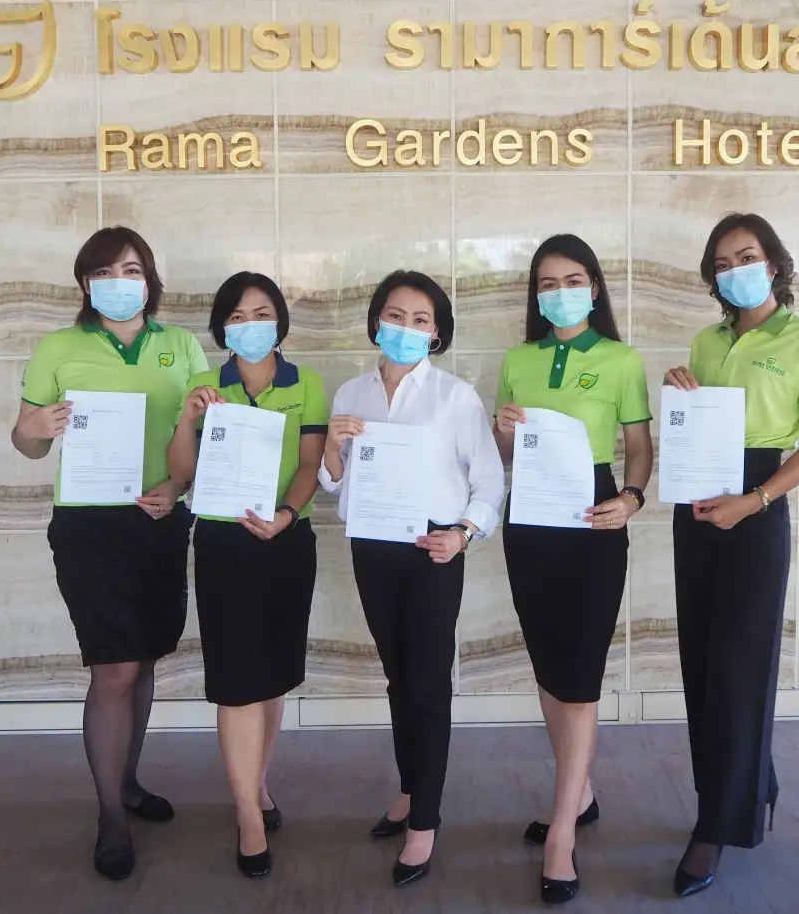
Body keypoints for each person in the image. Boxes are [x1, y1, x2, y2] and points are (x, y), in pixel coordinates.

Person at [11, 227, 208, 880]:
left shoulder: (182, 346)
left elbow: (198, 437)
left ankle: (126, 781)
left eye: (130, 269)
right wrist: (31, 428)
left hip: (159, 520)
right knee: (115, 668)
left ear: (150, 279)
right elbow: (29, 441)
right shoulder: (57, 347)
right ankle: (111, 815)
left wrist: (176, 486)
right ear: (84, 283)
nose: (118, 282)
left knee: (143, 659)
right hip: (88, 528)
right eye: (103, 272)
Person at [664, 213, 799, 898]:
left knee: (741, 666)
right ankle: (750, 782)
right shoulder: (706, 342)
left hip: (757, 505)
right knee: (703, 662)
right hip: (697, 506)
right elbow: (700, 425)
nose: (734, 269)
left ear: (774, 264)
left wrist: (755, 499)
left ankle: (718, 823)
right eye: (722, 262)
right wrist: (682, 397)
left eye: (746, 256)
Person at [319, 271, 505, 888]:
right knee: (398, 676)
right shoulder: (351, 393)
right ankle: (408, 791)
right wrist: (334, 449)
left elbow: (489, 482)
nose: (405, 328)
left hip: (433, 551)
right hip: (373, 547)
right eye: (395, 316)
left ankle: (424, 821)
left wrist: (464, 534)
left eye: (420, 320)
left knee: (426, 684)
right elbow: (334, 485)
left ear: (437, 334)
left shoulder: (456, 397)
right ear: (376, 322)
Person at [494, 234, 653, 905]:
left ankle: (562, 833)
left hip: (593, 521)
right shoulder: (518, 359)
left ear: (593, 287)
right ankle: (578, 794)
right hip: (530, 521)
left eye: (572, 280)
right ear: (535, 294)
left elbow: (639, 446)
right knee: (550, 669)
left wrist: (631, 498)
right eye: (547, 282)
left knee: (580, 677)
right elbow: (504, 452)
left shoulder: (621, 359)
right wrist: (503, 433)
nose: (559, 292)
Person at [166, 273, 328, 879]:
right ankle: (247, 818)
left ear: (279, 321)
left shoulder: (306, 383)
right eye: (237, 316)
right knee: (237, 681)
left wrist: (285, 515)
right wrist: (188, 420)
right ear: (222, 328)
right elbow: (181, 472)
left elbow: (310, 464)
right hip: (223, 544)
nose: (250, 325)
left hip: (286, 540)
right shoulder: (205, 386)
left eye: (262, 313)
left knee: (272, 677)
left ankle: (257, 784)